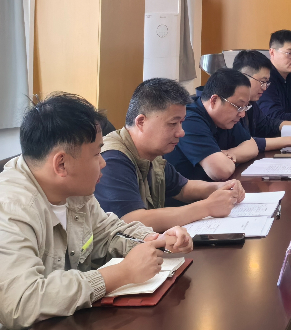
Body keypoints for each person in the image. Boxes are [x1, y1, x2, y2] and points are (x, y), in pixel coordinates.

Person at [0, 93, 192, 330]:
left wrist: (155, 240)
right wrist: (120, 274)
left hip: (50, 328)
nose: (103, 162)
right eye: (97, 154)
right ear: (61, 164)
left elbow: (105, 233)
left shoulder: (72, 190)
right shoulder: (5, 210)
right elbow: (24, 303)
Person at [95, 78, 249, 229]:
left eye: (181, 123)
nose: (181, 132)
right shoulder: (112, 158)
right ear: (141, 122)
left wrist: (221, 187)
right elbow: (131, 219)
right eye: (173, 123)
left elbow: (183, 187)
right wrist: (206, 208)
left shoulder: (152, 154)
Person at [164, 68, 260, 181]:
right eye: (239, 106)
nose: (242, 114)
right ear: (214, 100)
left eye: (245, 107)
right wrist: (226, 160)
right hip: (188, 192)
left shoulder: (226, 120)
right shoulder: (188, 120)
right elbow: (221, 171)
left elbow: (252, 147)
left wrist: (229, 154)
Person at [231, 50, 291, 152]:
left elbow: (267, 124)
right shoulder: (230, 105)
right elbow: (243, 142)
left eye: (267, 83)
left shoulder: (251, 103)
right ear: (243, 77)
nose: (264, 88)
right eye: (262, 82)